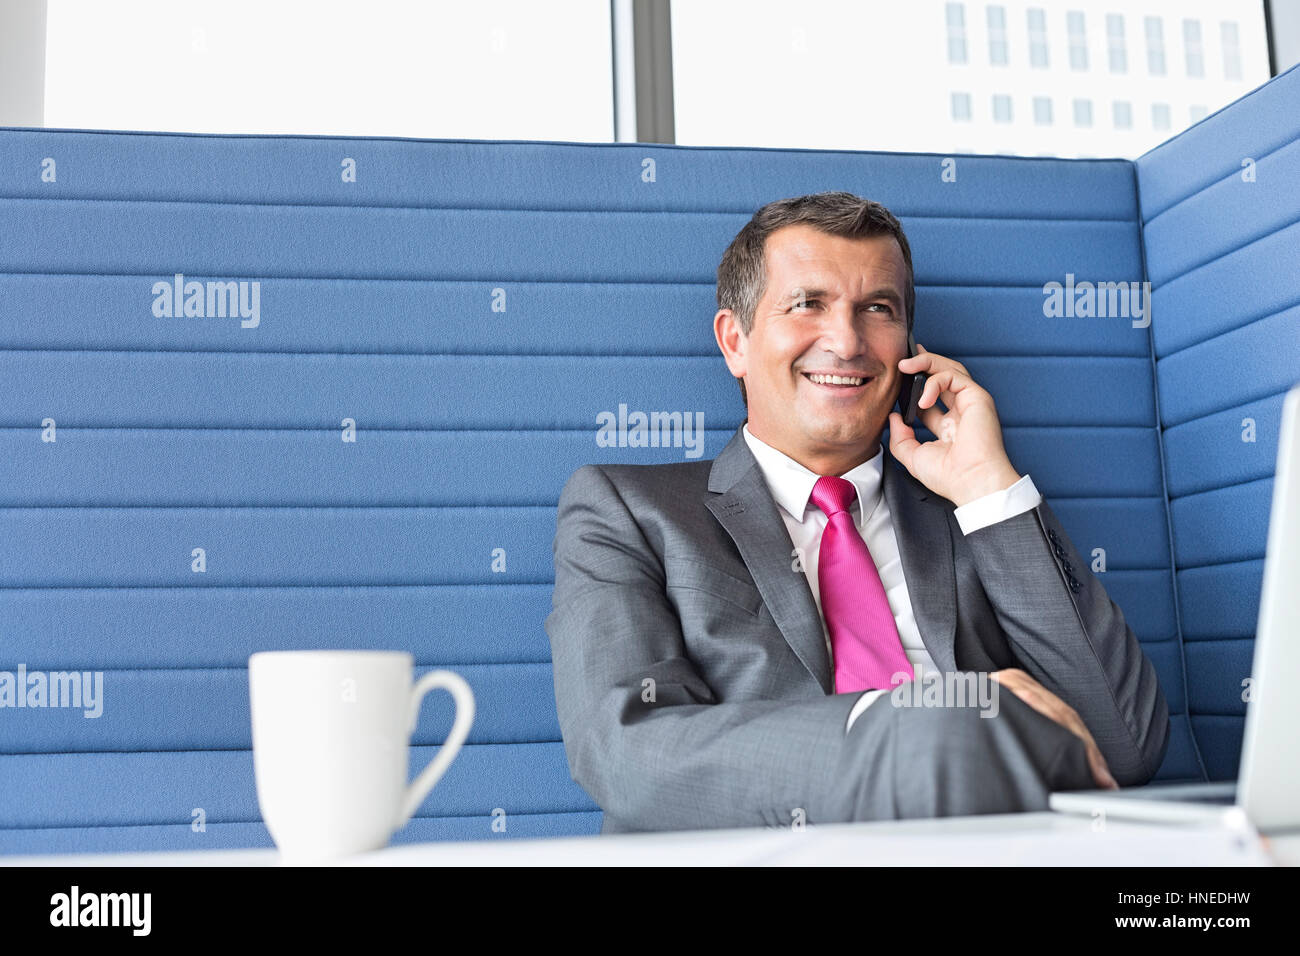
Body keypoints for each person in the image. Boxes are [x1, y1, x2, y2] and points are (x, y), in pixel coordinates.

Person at [545, 191, 1170, 833]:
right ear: (736, 341)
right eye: (807, 304)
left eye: (877, 309)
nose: (846, 342)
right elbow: (626, 752)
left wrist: (988, 487)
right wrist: (916, 722)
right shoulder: (627, 510)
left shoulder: (971, 514)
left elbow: (1124, 745)